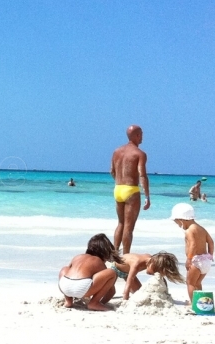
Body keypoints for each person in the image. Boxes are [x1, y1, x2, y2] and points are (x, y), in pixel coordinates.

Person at [110, 124, 150, 253]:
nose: (142, 136)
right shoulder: (140, 154)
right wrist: (147, 196)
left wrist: (119, 183)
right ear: (137, 135)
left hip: (118, 189)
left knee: (120, 223)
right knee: (129, 227)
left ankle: (115, 254)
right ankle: (126, 256)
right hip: (131, 190)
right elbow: (142, 175)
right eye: (141, 134)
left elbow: (112, 171)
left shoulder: (116, 151)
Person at [57, 233, 120, 311]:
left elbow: (69, 271)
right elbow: (111, 291)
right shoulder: (98, 261)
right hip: (81, 288)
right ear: (104, 251)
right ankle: (94, 303)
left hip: (64, 287)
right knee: (111, 273)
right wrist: (102, 302)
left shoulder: (78, 257)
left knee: (64, 269)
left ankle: (68, 301)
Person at [171, 203, 215, 299]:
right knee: (197, 283)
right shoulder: (202, 229)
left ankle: (193, 303)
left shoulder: (189, 231)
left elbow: (193, 244)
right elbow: (211, 242)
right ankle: (200, 301)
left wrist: (189, 259)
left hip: (196, 261)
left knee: (190, 283)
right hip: (206, 261)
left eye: (177, 222)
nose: (178, 225)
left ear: (181, 219)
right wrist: (210, 255)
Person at [108, 251, 185, 301]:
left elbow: (160, 278)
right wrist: (125, 297)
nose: (155, 273)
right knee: (110, 292)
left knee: (139, 293)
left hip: (127, 272)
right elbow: (129, 280)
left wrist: (165, 293)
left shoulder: (152, 261)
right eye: (155, 270)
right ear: (152, 263)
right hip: (115, 268)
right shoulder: (137, 263)